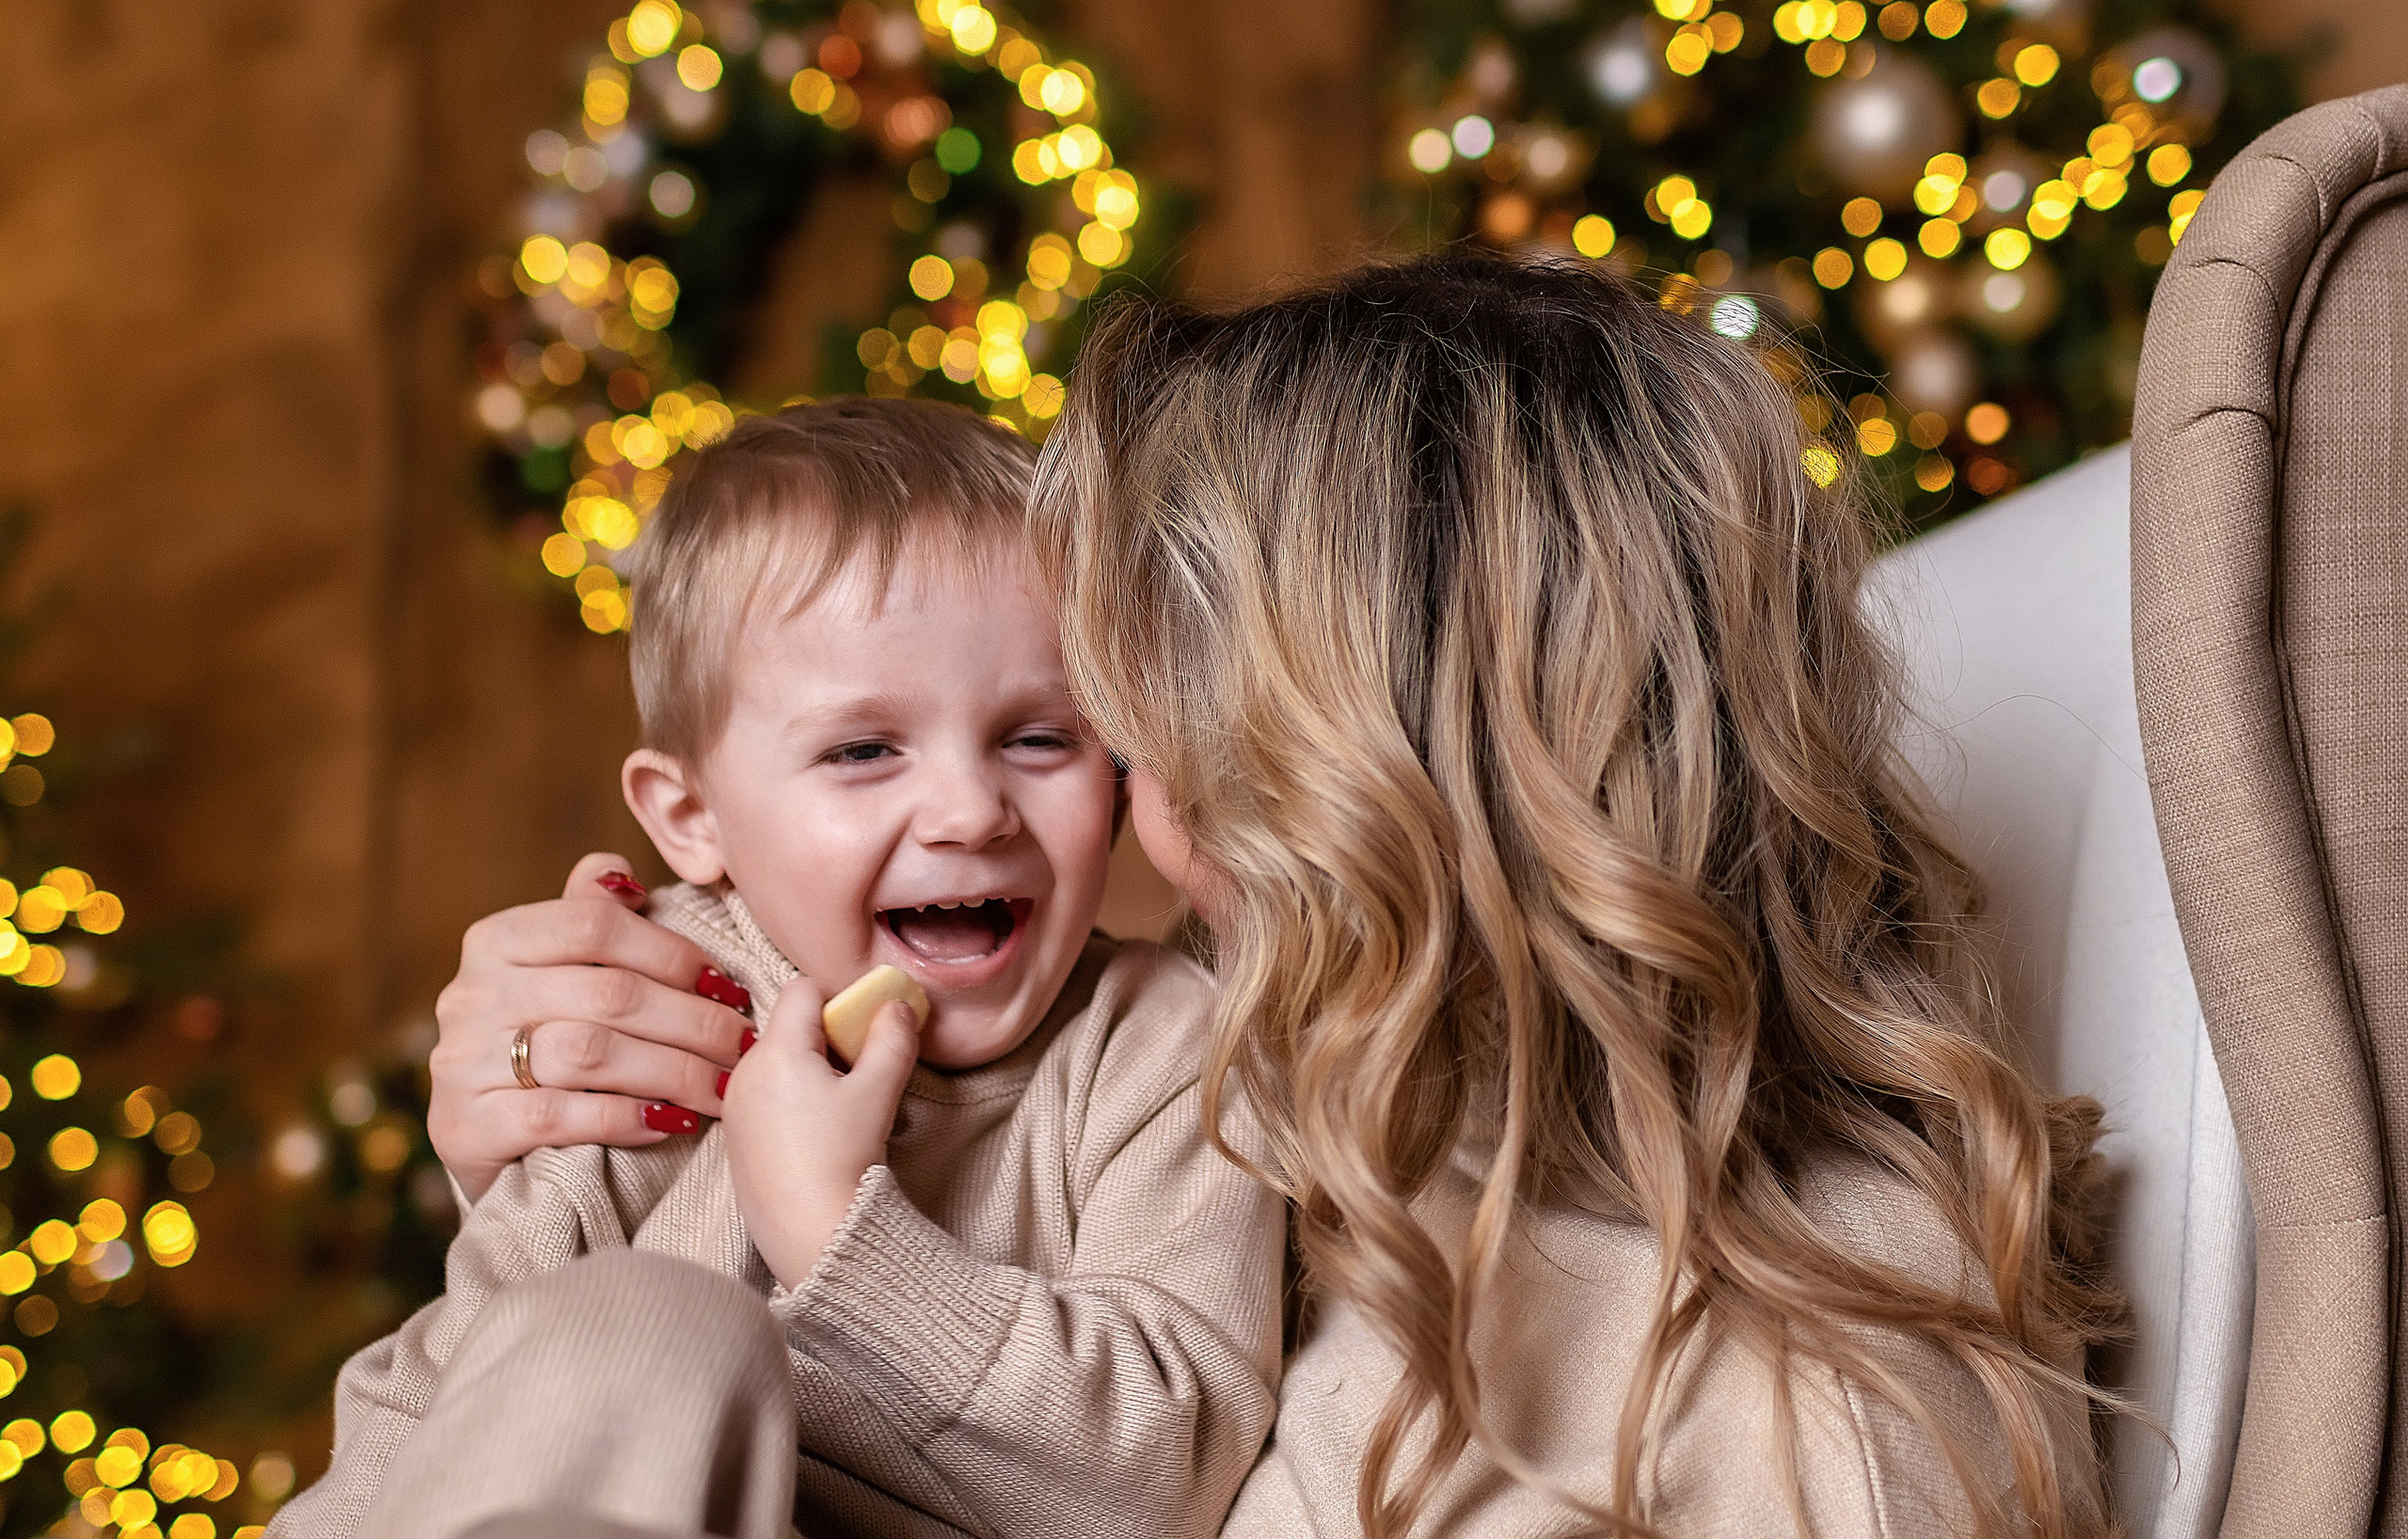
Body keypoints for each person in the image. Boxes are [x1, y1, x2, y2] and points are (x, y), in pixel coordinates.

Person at [414, 254, 2115, 1538]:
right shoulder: (1338, 1111)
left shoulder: (1799, 1402)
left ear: (1367, 774)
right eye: (864, 750)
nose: (1124, 838)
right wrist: (549, 1118)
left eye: (1093, 736)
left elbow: (1128, 1453)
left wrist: (824, 1249)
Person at [277, 399, 1284, 1539]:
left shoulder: (1163, 1050)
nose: (968, 809)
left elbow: (1156, 1488)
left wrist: (837, 1234)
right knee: (636, 1322)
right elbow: (448, 1402)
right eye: (863, 750)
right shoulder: (657, 1008)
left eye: (1039, 737)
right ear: (691, 816)